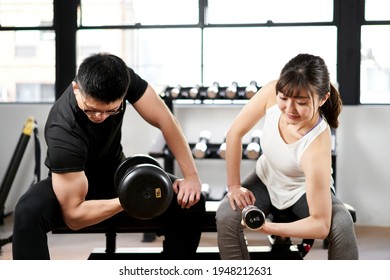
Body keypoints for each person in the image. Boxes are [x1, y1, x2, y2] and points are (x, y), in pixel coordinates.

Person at [12, 52, 205, 260]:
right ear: (77, 88)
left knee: (192, 201)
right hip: (71, 183)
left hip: (115, 173)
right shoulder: (62, 129)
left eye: (110, 111)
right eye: (91, 110)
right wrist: (129, 199)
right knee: (27, 212)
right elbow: (74, 216)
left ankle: (170, 270)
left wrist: (191, 177)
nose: (100, 117)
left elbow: (166, 121)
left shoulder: (121, 78)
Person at [216, 53, 359, 260]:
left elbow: (320, 225)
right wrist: (234, 186)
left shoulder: (317, 143)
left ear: (323, 99)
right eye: (283, 98)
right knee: (227, 215)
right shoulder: (271, 91)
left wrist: (268, 228)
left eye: (301, 102)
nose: (289, 109)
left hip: (302, 190)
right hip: (266, 178)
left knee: (341, 223)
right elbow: (234, 133)